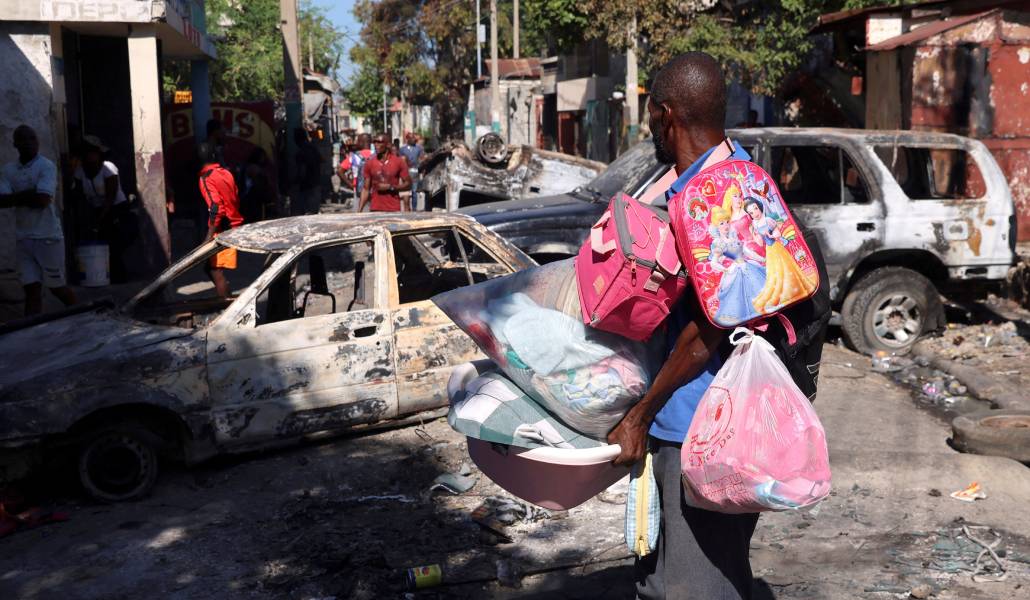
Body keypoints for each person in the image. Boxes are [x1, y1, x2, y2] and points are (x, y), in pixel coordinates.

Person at [606, 53, 778, 600]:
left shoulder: (717, 199)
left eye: (650, 113)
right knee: (680, 575)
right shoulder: (731, 176)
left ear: (666, 114)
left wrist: (641, 413)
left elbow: (713, 330)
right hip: (700, 420)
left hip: (705, 429)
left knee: (694, 586)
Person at [0, 125, 77, 315]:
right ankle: (32, 333)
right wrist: (30, 194)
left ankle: (83, 316)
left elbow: (43, 200)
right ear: (14, 144)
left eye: (32, 139)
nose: (28, 143)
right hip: (23, 238)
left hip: (47, 237)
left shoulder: (46, 166)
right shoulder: (8, 170)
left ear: (37, 142)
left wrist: (16, 197)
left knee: (56, 287)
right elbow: (3, 201)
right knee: (31, 289)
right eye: (23, 139)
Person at [72, 135, 135, 283]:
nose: (91, 155)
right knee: (100, 244)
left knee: (114, 245)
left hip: (116, 209)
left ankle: (120, 278)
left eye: (94, 152)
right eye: (88, 152)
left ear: (100, 153)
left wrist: (98, 220)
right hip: (96, 211)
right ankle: (104, 276)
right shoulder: (80, 172)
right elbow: (79, 196)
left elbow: (110, 197)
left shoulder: (108, 167)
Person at [197, 142, 243, 298]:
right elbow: (235, 196)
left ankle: (227, 308)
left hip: (221, 230)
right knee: (210, 268)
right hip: (232, 225)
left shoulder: (205, 178)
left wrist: (208, 237)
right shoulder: (226, 173)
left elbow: (215, 208)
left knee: (215, 271)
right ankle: (227, 298)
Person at [359, 134, 411, 212]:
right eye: (375, 142)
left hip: (393, 209)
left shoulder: (399, 162)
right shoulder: (370, 163)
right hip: (375, 209)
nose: (376, 145)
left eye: (379, 142)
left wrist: (391, 187)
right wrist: (359, 210)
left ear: (388, 145)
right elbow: (366, 189)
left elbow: (408, 184)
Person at [338, 133, 374, 208]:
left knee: (359, 216)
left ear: (361, 142)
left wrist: (350, 185)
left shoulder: (353, 157)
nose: (356, 143)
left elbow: (340, 171)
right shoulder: (376, 156)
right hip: (374, 191)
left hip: (358, 191)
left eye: (357, 141)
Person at [293, 128, 323, 215]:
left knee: (306, 213)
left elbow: (302, 170)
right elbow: (321, 163)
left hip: (306, 186)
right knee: (313, 212)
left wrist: (296, 181)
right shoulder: (313, 149)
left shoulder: (301, 152)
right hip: (315, 183)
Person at [398, 132, 425, 210]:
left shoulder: (418, 148)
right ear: (407, 139)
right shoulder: (402, 149)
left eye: (414, 137)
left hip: (415, 172)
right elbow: (400, 160)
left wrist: (421, 169)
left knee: (414, 191)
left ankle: (414, 208)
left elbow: (421, 158)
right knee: (406, 192)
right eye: (412, 138)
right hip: (406, 172)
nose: (414, 139)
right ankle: (407, 208)